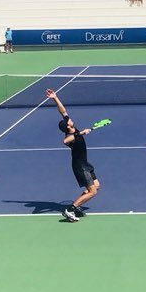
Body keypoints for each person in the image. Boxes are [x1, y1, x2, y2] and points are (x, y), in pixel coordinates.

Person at [47, 88, 100, 222]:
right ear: (68, 126)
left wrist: (55, 98)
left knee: (96, 186)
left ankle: (75, 207)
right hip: (80, 167)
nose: (70, 119)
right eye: (69, 120)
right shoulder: (69, 136)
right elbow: (65, 141)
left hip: (85, 164)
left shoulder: (71, 127)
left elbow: (63, 111)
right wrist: (81, 133)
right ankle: (70, 209)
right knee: (92, 191)